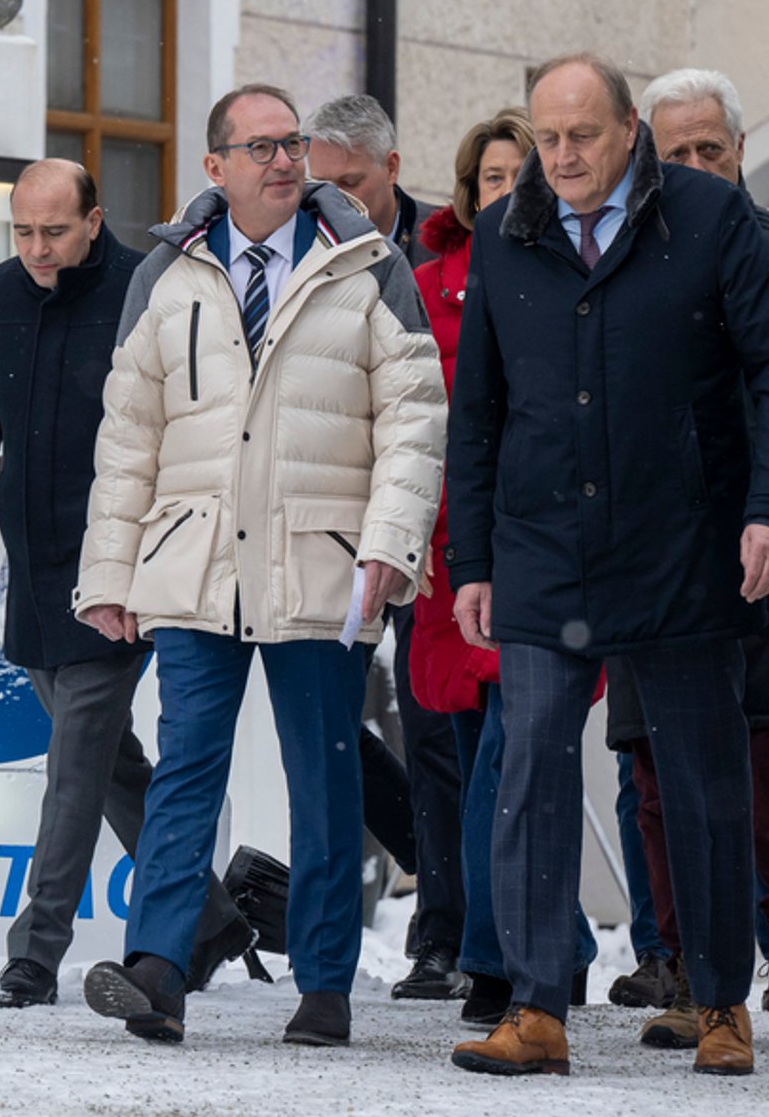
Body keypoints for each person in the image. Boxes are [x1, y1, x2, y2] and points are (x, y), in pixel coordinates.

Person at [445, 53, 769, 1078]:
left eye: (581, 135)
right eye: (547, 136)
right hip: (538, 549)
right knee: (524, 772)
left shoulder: (703, 216)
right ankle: (533, 1006)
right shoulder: (502, 231)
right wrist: (469, 556)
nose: (561, 156)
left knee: (700, 781)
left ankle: (717, 1003)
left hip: (681, 544)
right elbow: (474, 409)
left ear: (626, 134)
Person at [73, 83, 443, 1048]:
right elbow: (129, 436)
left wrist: (391, 543)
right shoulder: (166, 274)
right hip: (194, 566)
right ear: (216, 167)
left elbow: (413, 421)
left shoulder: (369, 264)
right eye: (264, 147)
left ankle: (323, 980)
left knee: (323, 775)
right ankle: (157, 964)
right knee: (186, 765)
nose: (286, 161)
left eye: (295, 145)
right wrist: (109, 573)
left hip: (321, 566)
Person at [0, 159, 251, 1010]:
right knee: (103, 762)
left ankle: (36, 950)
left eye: (54, 231)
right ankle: (210, 918)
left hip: (119, 565)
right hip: (31, 562)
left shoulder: (148, 286)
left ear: (94, 222)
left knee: (74, 761)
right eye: (22, 231)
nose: (36, 248)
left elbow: (181, 429)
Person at [606, 67, 769, 1047]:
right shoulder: (610, 265)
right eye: (677, 152)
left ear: (739, 152)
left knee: (768, 769)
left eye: (711, 148)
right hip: (648, 560)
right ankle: (690, 971)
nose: (697, 164)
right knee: (658, 777)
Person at [407, 107, 605, 1026]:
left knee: (511, 758)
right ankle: (557, 943)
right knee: (480, 754)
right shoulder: (427, 282)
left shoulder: (572, 272)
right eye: (490, 177)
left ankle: (498, 958)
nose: (506, 189)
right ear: (468, 188)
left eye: (517, 173)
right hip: (455, 550)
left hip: (551, 548)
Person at [309, 92, 469, 1001]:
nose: (333, 198)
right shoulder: (300, 252)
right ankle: (442, 871)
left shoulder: (442, 256)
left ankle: (444, 928)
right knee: (324, 720)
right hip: (328, 525)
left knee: (440, 729)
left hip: (427, 532)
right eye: (320, 181)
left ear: (394, 169)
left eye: (352, 183)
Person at [306, 93, 439, 268]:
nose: (333, 199)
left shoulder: (450, 239)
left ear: (391, 167)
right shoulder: (295, 241)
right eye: (320, 185)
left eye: (350, 182)